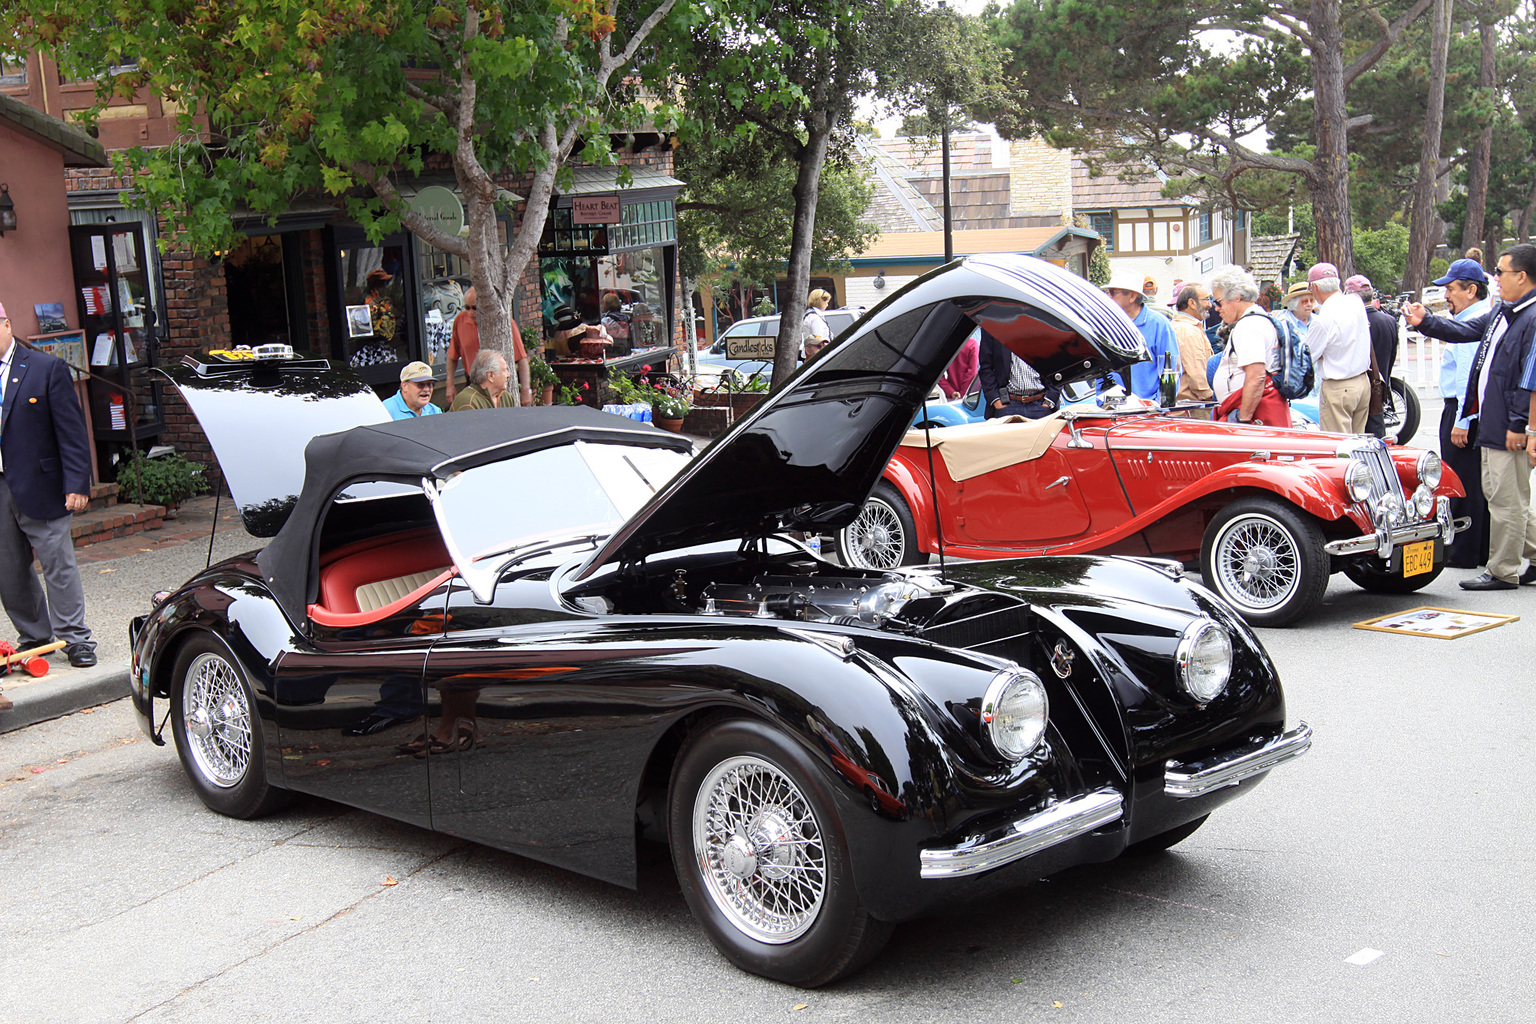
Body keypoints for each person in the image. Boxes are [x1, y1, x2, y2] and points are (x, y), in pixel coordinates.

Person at [1406, 244, 1536, 590]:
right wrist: (1427, 322)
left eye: (1501, 272)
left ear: (1521, 277)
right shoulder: (1503, 312)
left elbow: (1529, 379)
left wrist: (1519, 424)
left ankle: (1502, 571)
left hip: (1510, 420)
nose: (1496, 278)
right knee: (1499, 494)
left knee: (1507, 498)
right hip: (1491, 417)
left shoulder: (1532, 318)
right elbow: (1465, 332)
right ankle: (1535, 556)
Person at [0, 301, 97, 674]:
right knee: (9, 569)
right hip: (0, 490)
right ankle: (36, 638)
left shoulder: (45, 368)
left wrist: (78, 483)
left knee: (58, 564)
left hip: (43, 484)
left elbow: (71, 432)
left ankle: (75, 639)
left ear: (7, 324)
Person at [1428, 258, 1491, 568]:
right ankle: (1479, 548)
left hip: (1462, 409)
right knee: (1475, 483)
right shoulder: (1480, 316)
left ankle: (1464, 551)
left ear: (1471, 290)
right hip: (1469, 410)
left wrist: (1461, 421)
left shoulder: (1471, 322)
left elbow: (1469, 376)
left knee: (1461, 482)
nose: (1446, 296)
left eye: (1451, 289)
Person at [1209, 265, 1289, 426]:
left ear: (1237, 297)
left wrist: (1243, 420)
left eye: (1218, 302)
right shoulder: (1257, 319)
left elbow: (1256, 376)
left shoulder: (1249, 326)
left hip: (1255, 415)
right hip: (1255, 410)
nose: (1216, 308)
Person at [1303, 262, 1373, 433]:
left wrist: (1323, 352)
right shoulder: (1355, 303)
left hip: (1339, 387)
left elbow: (1307, 355)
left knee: (1339, 447)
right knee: (1359, 442)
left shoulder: (1322, 320)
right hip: (1362, 381)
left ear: (1314, 287)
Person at [1103, 268, 1180, 402]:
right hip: (1113, 411)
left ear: (1132, 296)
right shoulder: (1106, 325)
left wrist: (1158, 406)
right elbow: (1101, 371)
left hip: (1149, 413)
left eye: (1113, 292)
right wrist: (1103, 402)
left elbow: (1171, 371)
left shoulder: (1159, 325)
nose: (1108, 296)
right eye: (1108, 292)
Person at [445, 287, 529, 406]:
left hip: (499, 381)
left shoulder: (505, 323)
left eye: (474, 308)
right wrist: (450, 384)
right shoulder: (461, 320)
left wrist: (526, 390)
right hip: (473, 381)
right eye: (467, 308)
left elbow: (521, 358)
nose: (470, 312)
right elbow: (452, 356)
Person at [1346, 275, 1400, 438]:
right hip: (1380, 385)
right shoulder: (1389, 321)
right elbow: (1392, 355)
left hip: (1358, 388)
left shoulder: (1354, 321)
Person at [976, 329, 1060, 419]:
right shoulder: (993, 324)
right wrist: (996, 401)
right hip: (1007, 406)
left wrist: (1049, 401)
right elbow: (985, 368)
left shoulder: (1043, 323)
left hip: (1041, 405)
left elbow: (1059, 363)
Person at [1170, 284, 1215, 417]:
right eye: (1206, 299)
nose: (1210, 305)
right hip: (1194, 409)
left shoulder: (1185, 327)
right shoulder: (1188, 331)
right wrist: (1213, 398)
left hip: (1190, 407)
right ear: (1192, 303)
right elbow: (1197, 375)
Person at [449, 350, 514, 411]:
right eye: (504, 370)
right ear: (490, 376)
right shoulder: (468, 401)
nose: (508, 375)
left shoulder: (506, 397)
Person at [938, 328, 980, 400]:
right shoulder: (972, 344)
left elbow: (938, 375)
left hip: (952, 394)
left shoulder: (945, 345)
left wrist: (950, 391)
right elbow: (972, 373)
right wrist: (963, 394)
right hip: (970, 394)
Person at [600, 293, 633, 357]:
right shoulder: (627, 318)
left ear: (606, 305)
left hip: (612, 351)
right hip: (627, 349)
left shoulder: (606, 320)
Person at [803, 289, 833, 359]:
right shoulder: (815, 317)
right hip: (816, 356)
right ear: (820, 301)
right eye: (826, 302)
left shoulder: (811, 315)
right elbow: (817, 340)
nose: (827, 305)